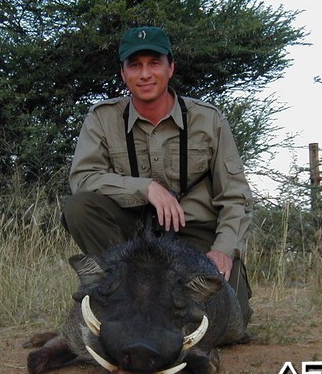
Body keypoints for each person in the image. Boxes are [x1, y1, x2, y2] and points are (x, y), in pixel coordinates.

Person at [62, 26, 254, 326]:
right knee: (79, 207)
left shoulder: (209, 119)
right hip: (132, 234)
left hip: (194, 234)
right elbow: (84, 178)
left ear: (171, 67)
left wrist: (222, 251)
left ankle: (155, 298)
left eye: (154, 63)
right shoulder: (102, 117)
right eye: (135, 65)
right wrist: (146, 188)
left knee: (233, 317)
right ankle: (119, 288)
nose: (145, 74)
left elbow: (235, 196)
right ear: (123, 73)